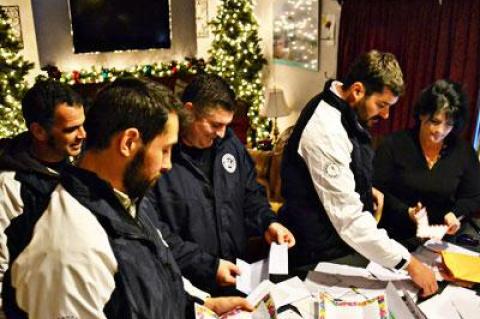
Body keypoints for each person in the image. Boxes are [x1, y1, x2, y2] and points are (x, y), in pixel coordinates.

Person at [2, 78, 252, 318]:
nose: (168, 165)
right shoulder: (69, 250)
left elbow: (151, 285)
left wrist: (200, 307)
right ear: (129, 142)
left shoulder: (126, 200)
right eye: (164, 149)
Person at [279, 50, 438, 297]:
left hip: (340, 244)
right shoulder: (326, 130)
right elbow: (349, 220)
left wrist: (364, 188)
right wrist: (411, 264)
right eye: (382, 105)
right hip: (316, 255)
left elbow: (343, 167)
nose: (386, 115)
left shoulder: (346, 111)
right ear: (357, 90)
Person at [142, 73, 295, 294]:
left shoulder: (230, 145)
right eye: (215, 124)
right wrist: (209, 267)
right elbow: (157, 234)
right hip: (188, 288)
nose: (222, 133)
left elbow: (251, 194)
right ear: (189, 110)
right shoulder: (160, 158)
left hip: (237, 279)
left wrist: (268, 223)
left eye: (226, 125)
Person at [0, 79, 86, 308]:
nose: (82, 135)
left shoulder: (81, 167)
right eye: (70, 129)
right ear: (38, 131)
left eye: (82, 125)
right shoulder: (9, 184)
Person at [373, 79, 480, 242]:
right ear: (422, 114)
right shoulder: (393, 145)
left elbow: (473, 196)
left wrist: (455, 213)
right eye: (435, 122)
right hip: (394, 235)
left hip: (440, 239)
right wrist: (407, 211)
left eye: (449, 124)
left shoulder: (463, 152)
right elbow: (377, 190)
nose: (440, 131)